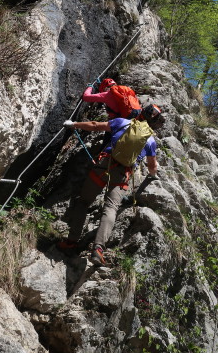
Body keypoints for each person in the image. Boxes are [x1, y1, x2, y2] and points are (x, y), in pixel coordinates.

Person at [58, 104, 163, 266]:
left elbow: (95, 126)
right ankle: (98, 250)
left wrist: (74, 125)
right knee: (111, 208)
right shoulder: (150, 140)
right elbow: (152, 166)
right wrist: (152, 176)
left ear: (141, 113)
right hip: (123, 175)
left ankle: (71, 242)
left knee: (84, 202)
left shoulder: (123, 122)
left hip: (104, 166)